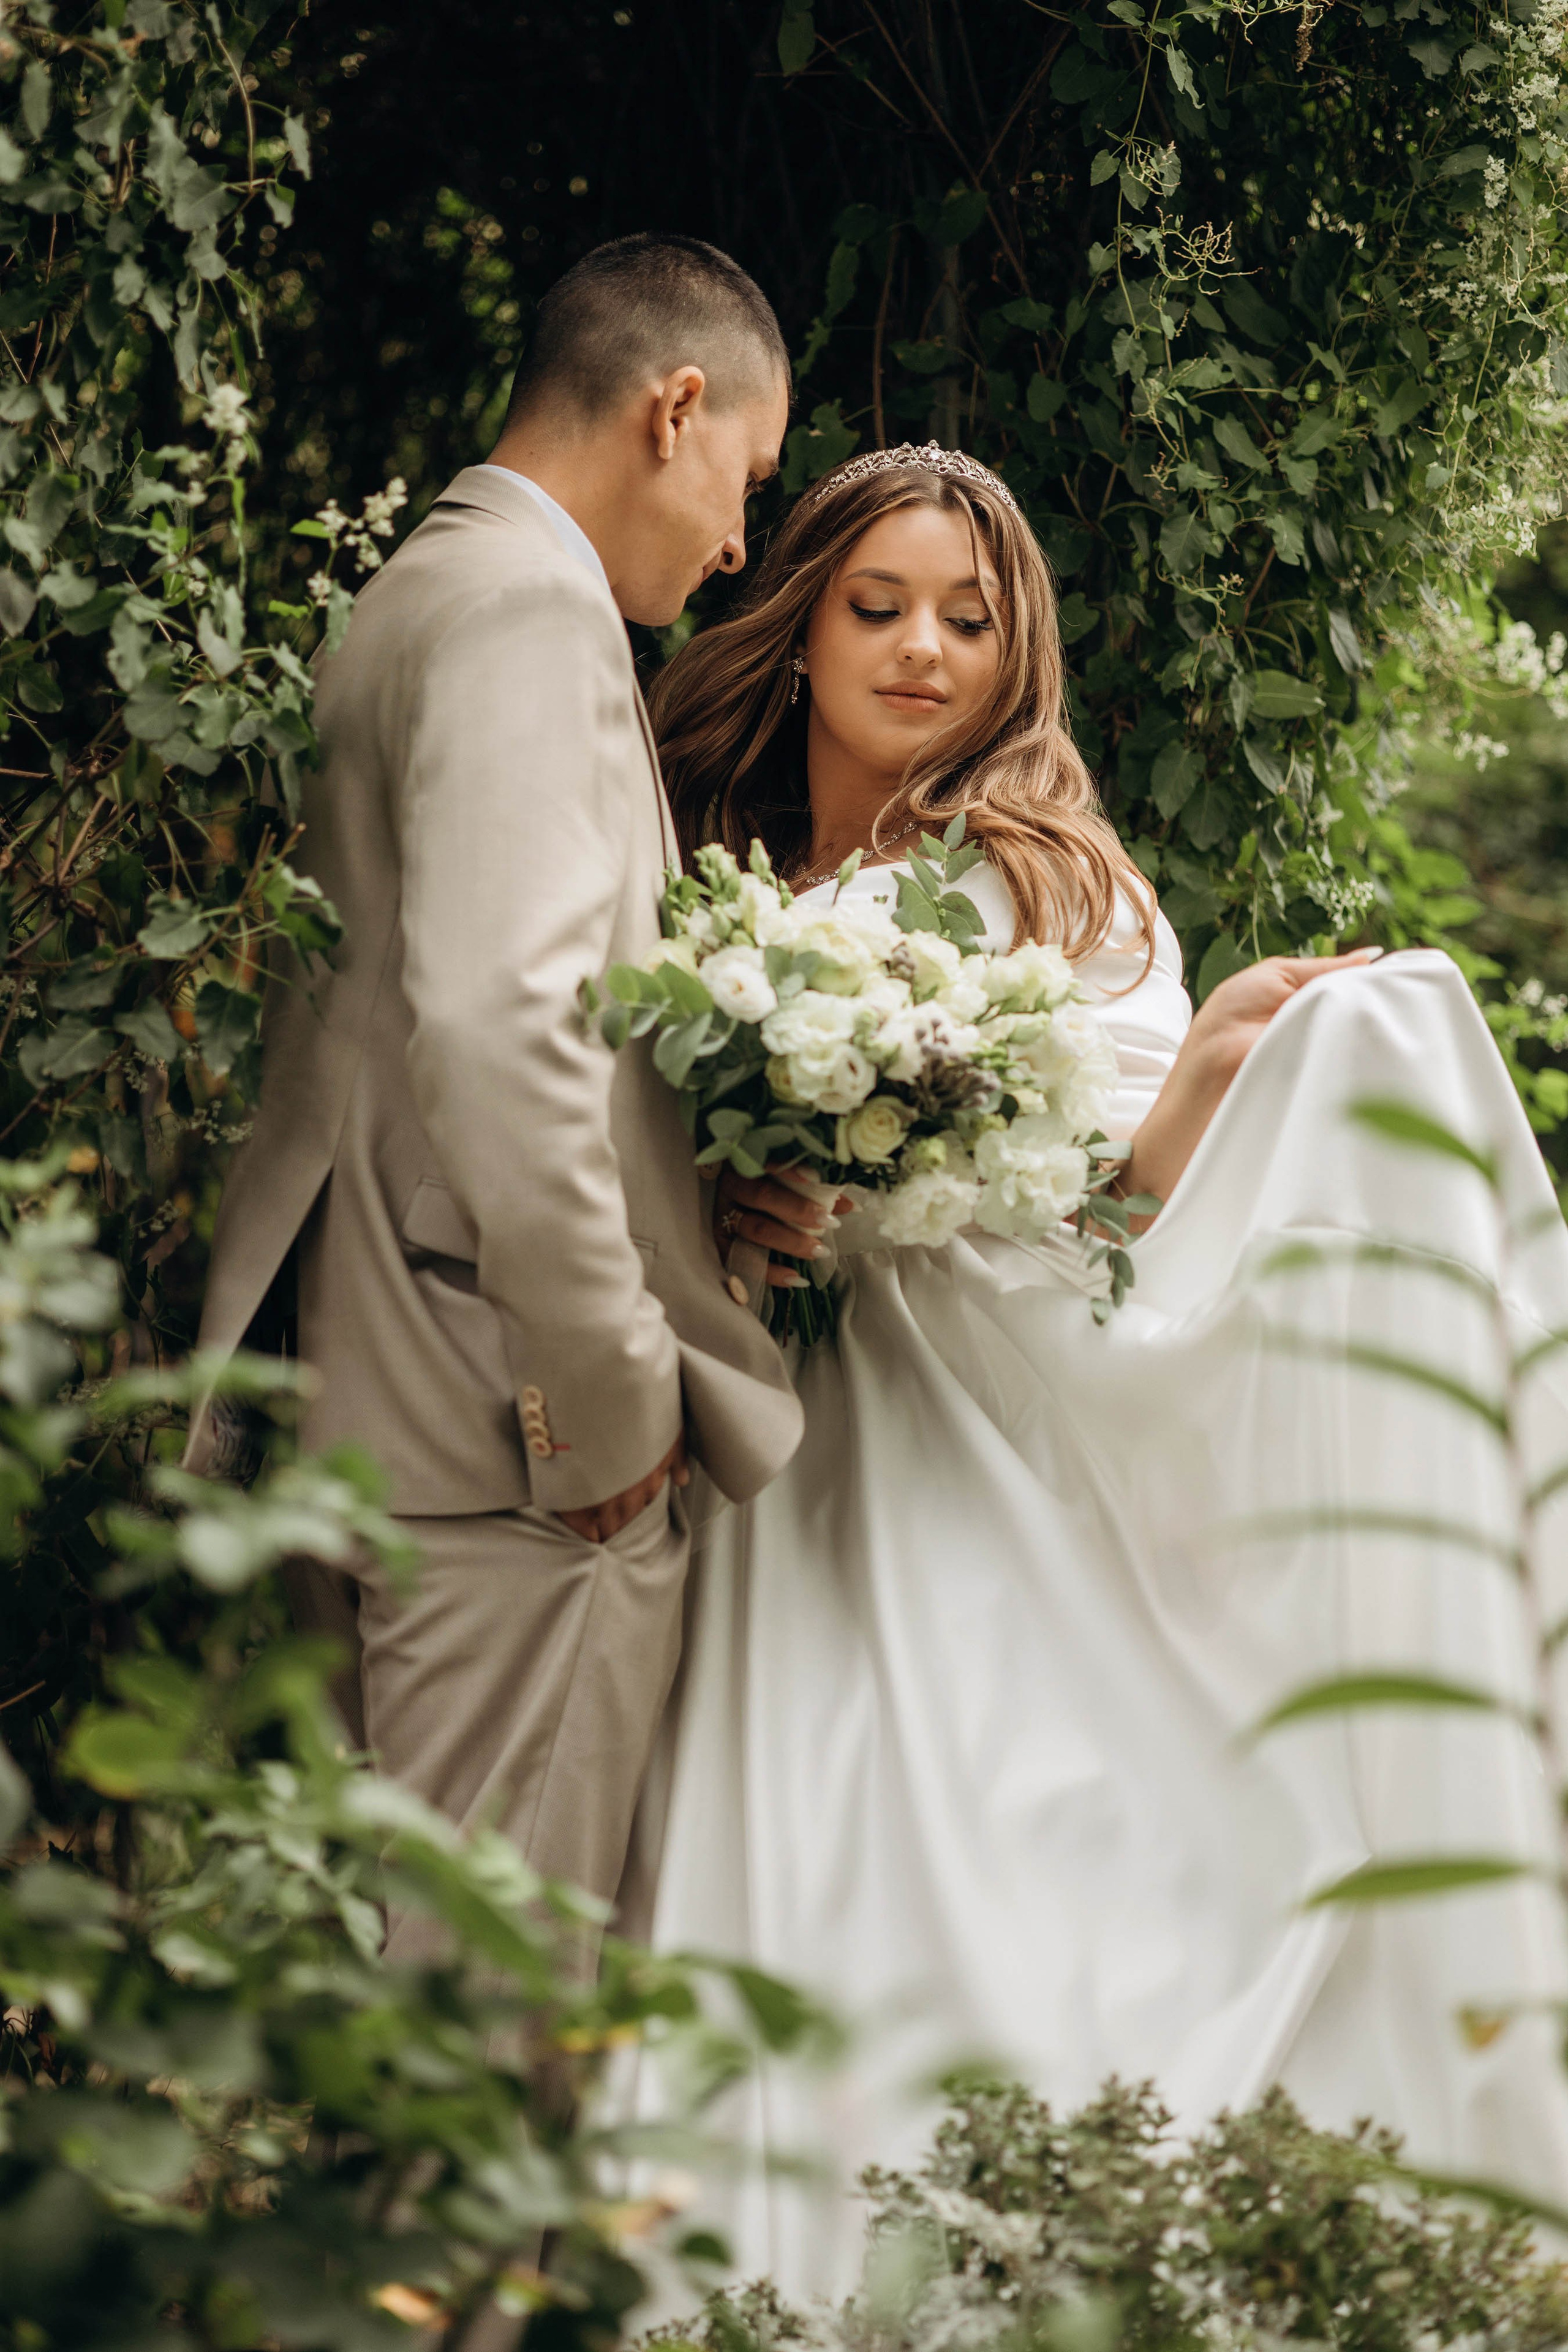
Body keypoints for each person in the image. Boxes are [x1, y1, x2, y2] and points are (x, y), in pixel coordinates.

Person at [623, 443, 1568, 2297]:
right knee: (789, 1835)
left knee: (991, 1829)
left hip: (980, 1424)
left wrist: (1205, 1078)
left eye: (966, 621)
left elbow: (1098, 1228)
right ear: (804, 616)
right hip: (780, 1441)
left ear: (1014, 650)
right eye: (877, 606)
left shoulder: (1052, 877)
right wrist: (734, 1194)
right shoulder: (697, 866)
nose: (920, 652)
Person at [187, 235, 804, 1940]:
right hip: (507, 1452)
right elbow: (494, 1024)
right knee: (482, 2051)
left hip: (377, 1387)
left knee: (392, 2048)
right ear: (674, 409)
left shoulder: (420, 585)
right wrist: (600, 1392)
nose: (742, 543)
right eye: (746, 481)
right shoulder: (534, 612)